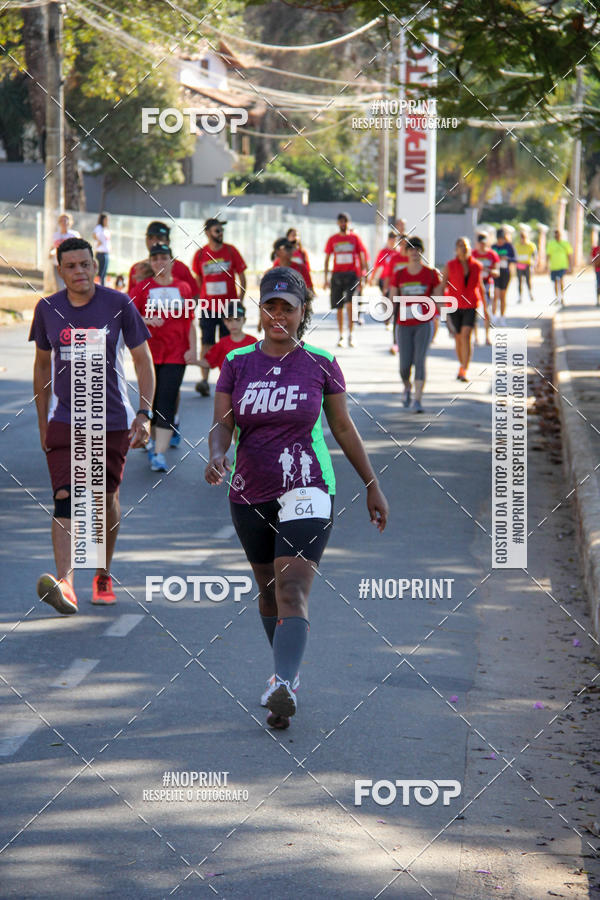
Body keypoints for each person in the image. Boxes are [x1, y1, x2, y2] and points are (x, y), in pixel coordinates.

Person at [205, 267, 388, 729]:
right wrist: (217, 454)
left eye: (288, 306)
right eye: (271, 306)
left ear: (303, 311)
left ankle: (284, 683)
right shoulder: (237, 362)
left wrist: (371, 483)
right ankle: (282, 678)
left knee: (291, 587)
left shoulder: (320, 361)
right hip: (249, 490)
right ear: (261, 310)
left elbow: (343, 427)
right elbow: (224, 423)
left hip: (309, 486)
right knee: (268, 591)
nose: (279, 315)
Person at [29, 237, 154, 614]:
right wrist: (42, 424)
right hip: (66, 420)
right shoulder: (47, 308)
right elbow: (40, 368)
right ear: (60, 270)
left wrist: (145, 414)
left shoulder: (118, 305)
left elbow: (144, 362)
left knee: (102, 501)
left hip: (111, 420)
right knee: (66, 497)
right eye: (71, 266)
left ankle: (102, 572)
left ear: (95, 266)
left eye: (85, 264)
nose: (79, 271)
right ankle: (65, 584)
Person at [131, 244, 197, 472]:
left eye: (164, 258)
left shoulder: (184, 287)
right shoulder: (142, 288)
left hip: (176, 353)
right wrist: (146, 320)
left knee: (167, 401)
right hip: (148, 354)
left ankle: (158, 454)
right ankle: (152, 439)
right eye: (155, 258)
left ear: (171, 261)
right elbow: (127, 317)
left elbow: (190, 321)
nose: (160, 262)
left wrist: (194, 349)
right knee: (153, 401)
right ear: (151, 262)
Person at [192, 217, 246, 396]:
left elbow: (242, 277)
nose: (220, 233)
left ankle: (228, 381)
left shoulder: (231, 251)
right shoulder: (200, 254)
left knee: (228, 343)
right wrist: (198, 301)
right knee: (206, 342)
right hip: (208, 307)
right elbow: (198, 280)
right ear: (207, 233)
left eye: (222, 230)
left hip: (228, 307)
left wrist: (240, 300)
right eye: (217, 230)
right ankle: (204, 380)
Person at [389, 237, 441, 413]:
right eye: (411, 250)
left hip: (423, 324)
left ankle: (418, 400)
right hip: (403, 324)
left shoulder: (431, 274)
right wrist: (389, 316)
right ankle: (407, 386)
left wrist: (440, 318)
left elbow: (438, 298)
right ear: (407, 253)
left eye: (418, 250)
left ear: (421, 252)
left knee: (420, 361)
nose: (414, 253)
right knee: (404, 365)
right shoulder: (400, 274)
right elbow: (392, 299)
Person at [439, 237, 484, 382]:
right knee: (458, 338)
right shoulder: (450, 265)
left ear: (470, 248)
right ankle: (461, 365)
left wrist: (486, 307)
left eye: (465, 246)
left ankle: (465, 369)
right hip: (453, 305)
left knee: (466, 335)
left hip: (471, 305)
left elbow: (480, 287)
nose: (463, 248)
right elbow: (442, 286)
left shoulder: (477, 266)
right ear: (455, 249)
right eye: (460, 246)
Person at [324, 212, 366, 348]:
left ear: (349, 223)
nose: (343, 224)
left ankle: (351, 334)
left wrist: (363, 277)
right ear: (338, 223)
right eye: (341, 222)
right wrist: (326, 278)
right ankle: (341, 335)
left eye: (345, 222)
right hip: (337, 275)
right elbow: (327, 258)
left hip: (351, 275)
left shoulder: (354, 238)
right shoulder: (333, 239)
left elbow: (362, 257)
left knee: (350, 304)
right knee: (339, 308)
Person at [127, 220, 197, 297]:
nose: (154, 242)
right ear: (146, 240)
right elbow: (131, 301)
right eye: (150, 238)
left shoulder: (181, 268)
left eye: (159, 238)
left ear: (168, 241)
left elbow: (194, 295)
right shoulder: (136, 269)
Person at [200, 301, 257, 372]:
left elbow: (259, 364)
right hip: (227, 382)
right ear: (224, 321)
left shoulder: (253, 342)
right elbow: (208, 362)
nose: (234, 324)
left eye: (237, 319)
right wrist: (194, 361)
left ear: (244, 320)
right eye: (229, 320)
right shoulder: (222, 343)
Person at [472, 233, 499, 345]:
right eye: (480, 243)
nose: (482, 245)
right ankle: (476, 337)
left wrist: (488, 270)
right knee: (474, 312)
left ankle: (487, 337)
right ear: (477, 243)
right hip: (475, 285)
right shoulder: (472, 254)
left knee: (486, 311)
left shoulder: (492, 254)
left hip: (487, 284)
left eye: (484, 243)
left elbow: (497, 272)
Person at [491, 228, 516, 325]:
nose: (500, 240)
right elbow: (490, 258)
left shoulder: (509, 246)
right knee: (495, 295)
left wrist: (507, 258)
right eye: (499, 238)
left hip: (505, 273)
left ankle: (502, 317)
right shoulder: (493, 247)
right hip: (496, 272)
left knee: (502, 296)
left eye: (502, 238)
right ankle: (493, 316)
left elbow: (515, 259)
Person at [50, 214, 80, 291]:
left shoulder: (74, 235)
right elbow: (52, 247)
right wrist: (50, 253)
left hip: (70, 264)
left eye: (66, 220)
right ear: (59, 223)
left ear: (70, 222)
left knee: (69, 285)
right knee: (59, 286)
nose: (64, 222)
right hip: (57, 263)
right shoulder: (55, 235)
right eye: (62, 221)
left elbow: (80, 249)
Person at [546, 228, 573, 306]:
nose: (557, 236)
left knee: (561, 281)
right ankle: (557, 298)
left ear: (560, 235)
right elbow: (548, 255)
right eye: (555, 235)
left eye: (558, 235)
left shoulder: (565, 244)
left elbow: (569, 255)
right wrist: (546, 265)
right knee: (555, 283)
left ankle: (562, 297)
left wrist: (570, 266)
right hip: (553, 266)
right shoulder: (551, 244)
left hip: (562, 266)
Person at [514, 228, 537, 303]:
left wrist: (534, 264)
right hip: (519, 265)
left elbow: (535, 255)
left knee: (528, 281)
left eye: (524, 238)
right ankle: (520, 297)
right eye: (522, 238)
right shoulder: (517, 245)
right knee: (520, 282)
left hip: (528, 265)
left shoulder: (531, 245)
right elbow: (514, 255)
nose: (523, 239)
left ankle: (530, 294)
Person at [93, 213, 111, 286]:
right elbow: (94, 234)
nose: (107, 221)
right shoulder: (99, 227)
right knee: (100, 273)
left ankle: (102, 286)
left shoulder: (106, 228)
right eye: (106, 219)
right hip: (100, 253)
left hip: (106, 252)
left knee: (104, 273)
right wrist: (98, 241)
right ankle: (99, 286)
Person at [589, 236, 600, 306]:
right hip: (598, 269)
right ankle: (597, 300)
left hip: (597, 269)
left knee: (598, 284)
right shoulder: (595, 249)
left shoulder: (595, 249)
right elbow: (592, 259)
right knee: (598, 285)